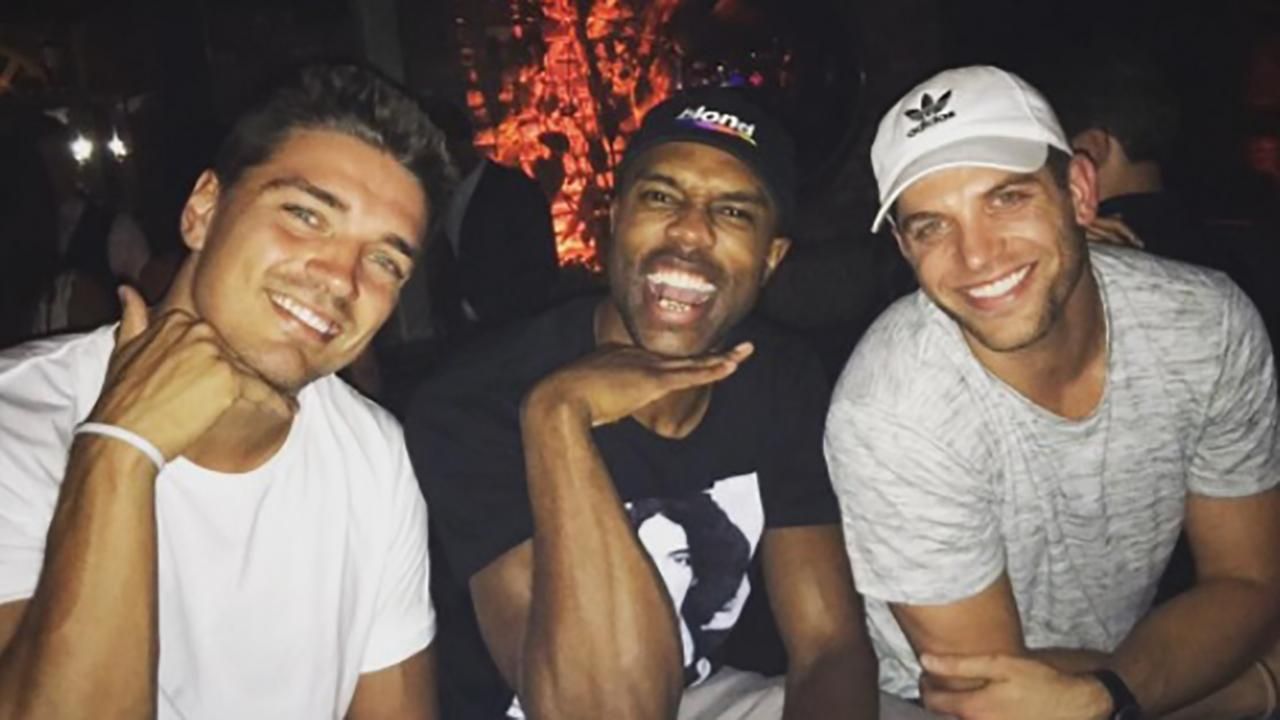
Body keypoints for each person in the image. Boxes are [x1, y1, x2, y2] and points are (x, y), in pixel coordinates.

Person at [408, 87, 917, 719]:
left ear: (771, 258)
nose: (690, 231)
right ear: (614, 219)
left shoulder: (778, 378)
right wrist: (558, 416)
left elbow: (829, 649)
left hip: (701, 697)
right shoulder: (475, 404)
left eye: (733, 212)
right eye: (661, 197)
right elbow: (596, 713)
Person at [0, 63, 456, 719]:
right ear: (203, 211)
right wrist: (119, 448)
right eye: (306, 215)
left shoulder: (374, 457)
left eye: (384, 260)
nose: (342, 278)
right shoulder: (16, 422)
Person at [825, 64, 1280, 720]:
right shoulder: (892, 410)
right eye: (932, 226)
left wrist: (1116, 693)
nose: (977, 256)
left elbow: (1248, 582)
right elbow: (990, 693)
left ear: (1079, 192)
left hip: (1122, 675)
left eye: (1006, 199)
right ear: (903, 247)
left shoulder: (1205, 326)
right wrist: (1237, 686)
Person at [421, 97, 559, 341]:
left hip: (515, 332)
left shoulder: (514, 190)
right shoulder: (437, 197)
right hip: (463, 339)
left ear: (459, 145)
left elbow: (540, 270)